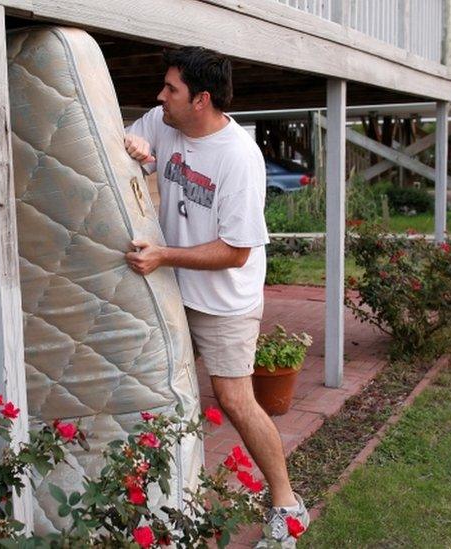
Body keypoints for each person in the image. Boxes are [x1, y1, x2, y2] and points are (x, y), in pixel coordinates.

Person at [123, 47, 308, 547]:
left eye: (172, 89)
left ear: (201, 99)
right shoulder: (164, 122)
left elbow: (235, 252)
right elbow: (127, 135)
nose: (160, 96)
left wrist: (163, 256)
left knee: (235, 400)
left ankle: (288, 504)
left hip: (225, 299)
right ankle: (166, 502)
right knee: (159, 388)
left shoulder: (238, 157)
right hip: (175, 285)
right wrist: (136, 147)